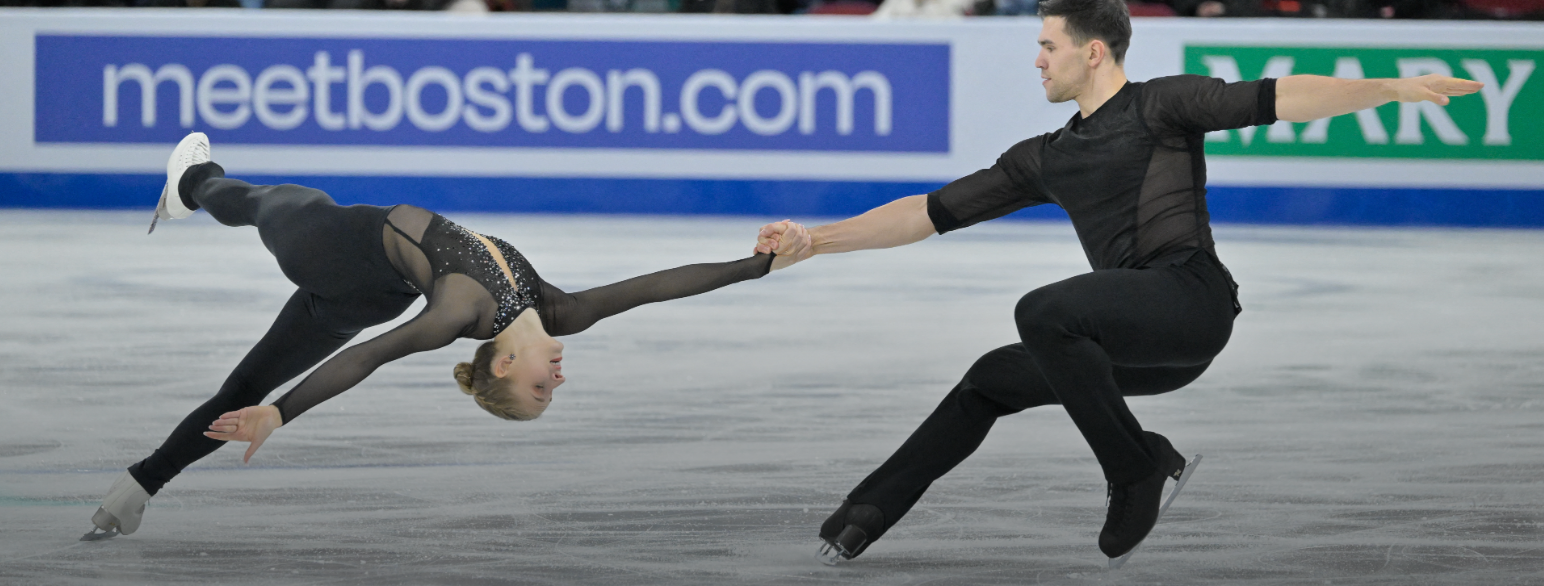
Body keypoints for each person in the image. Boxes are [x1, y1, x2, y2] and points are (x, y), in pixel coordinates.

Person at [756, 0, 1482, 564]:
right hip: (1131, 350)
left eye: (1048, 45)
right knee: (991, 379)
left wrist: (1385, 87)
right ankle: (868, 512)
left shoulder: (1163, 105)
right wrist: (815, 240)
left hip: (1192, 303)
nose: (1036, 60)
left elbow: (1279, 98)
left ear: (1092, 50)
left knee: (1043, 311)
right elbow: (926, 212)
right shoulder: (1045, 156)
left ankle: (1135, 472)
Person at [84, 132, 796, 540]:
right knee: (250, 301)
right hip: (372, 288)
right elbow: (654, 286)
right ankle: (194, 190)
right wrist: (755, 267)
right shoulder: (556, 311)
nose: (560, 379)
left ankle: (196, 182)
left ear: (507, 362)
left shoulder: (461, 310)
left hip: (335, 249)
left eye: (541, 389)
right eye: (555, 390)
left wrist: (281, 412)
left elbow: (370, 355)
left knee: (272, 211)